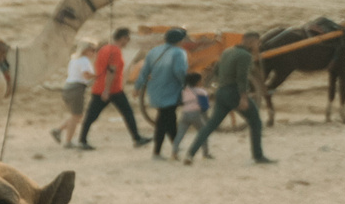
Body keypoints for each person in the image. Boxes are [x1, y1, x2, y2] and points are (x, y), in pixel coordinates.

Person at [181, 31, 275, 165]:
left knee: (210, 125)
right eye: (257, 43)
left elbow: (217, 71)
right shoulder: (245, 56)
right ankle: (258, 156)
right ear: (251, 42)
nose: (258, 46)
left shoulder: (227, 52)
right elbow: (242, 78)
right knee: (256, 122)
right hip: (234, 93)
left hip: (221, 92)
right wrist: (243, 97)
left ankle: (190, 154)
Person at [73, 27, 141, 147]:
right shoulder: (115, 51)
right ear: (123, 38)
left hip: (100, 87)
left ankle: (82, 140)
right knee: (127, 113)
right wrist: (107, 90)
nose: (128, 41)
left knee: (91, 115)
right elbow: (111, 71)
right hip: (112, 89)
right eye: (128, 38)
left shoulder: (104, 49)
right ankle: (137, 139)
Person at [134, 26, 189, 158]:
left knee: (168, 118)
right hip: (171, 90)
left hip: (155, 90)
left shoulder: (154, 51)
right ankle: (158, 152)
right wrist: (187, 85)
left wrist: (137, 87)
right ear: (180, 40)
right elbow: (180, 72)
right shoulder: (178, 53)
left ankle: (175, 147)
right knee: (164, 121)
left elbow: (144, 71)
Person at [50, 38, 96, 145]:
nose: (94, 52)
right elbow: (86, 75)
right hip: (77, 89)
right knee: (76, 116)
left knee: (76, 115)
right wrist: (99, 75)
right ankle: (68, 141)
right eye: (92, 50)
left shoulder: (74, 59)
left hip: (68, 88)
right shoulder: (84, 60)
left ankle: (59, 130)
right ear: (85, 50)